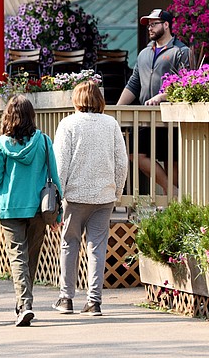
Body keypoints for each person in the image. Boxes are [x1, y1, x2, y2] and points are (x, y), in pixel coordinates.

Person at [54, 81, 128, 316]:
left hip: (75, 196)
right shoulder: (111, 124)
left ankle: (66, 298)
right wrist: (117, 191)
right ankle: (94, 301)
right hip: (103, 195)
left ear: (76, 100)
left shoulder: (68, 124)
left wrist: (59, 193)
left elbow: (60, 163)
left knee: (69, 244)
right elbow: (121, 161)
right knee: (97, 247)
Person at [0, 95, 61, 327]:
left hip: (10, 207)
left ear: (8, 116)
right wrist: (57, 214)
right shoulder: (45, 141)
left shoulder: (1, 144)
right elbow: (55, 178)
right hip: (39, 209)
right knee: (31, 257)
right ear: (31, 116)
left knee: (17, 256)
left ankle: (24, 305)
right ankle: (24, 304)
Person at [116, 8, 191, 196]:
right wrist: (116, 109)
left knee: (170, 159)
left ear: (166, 25)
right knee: (134, 153)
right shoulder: (143, 54)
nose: (149, 28)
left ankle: (170, 206)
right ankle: (172, 191)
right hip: (144, 117)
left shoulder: (181, 51)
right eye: (148, 25)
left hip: (170, 116)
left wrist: (161, 96)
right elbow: (133, 84)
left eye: (154, 24)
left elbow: (186, 83)